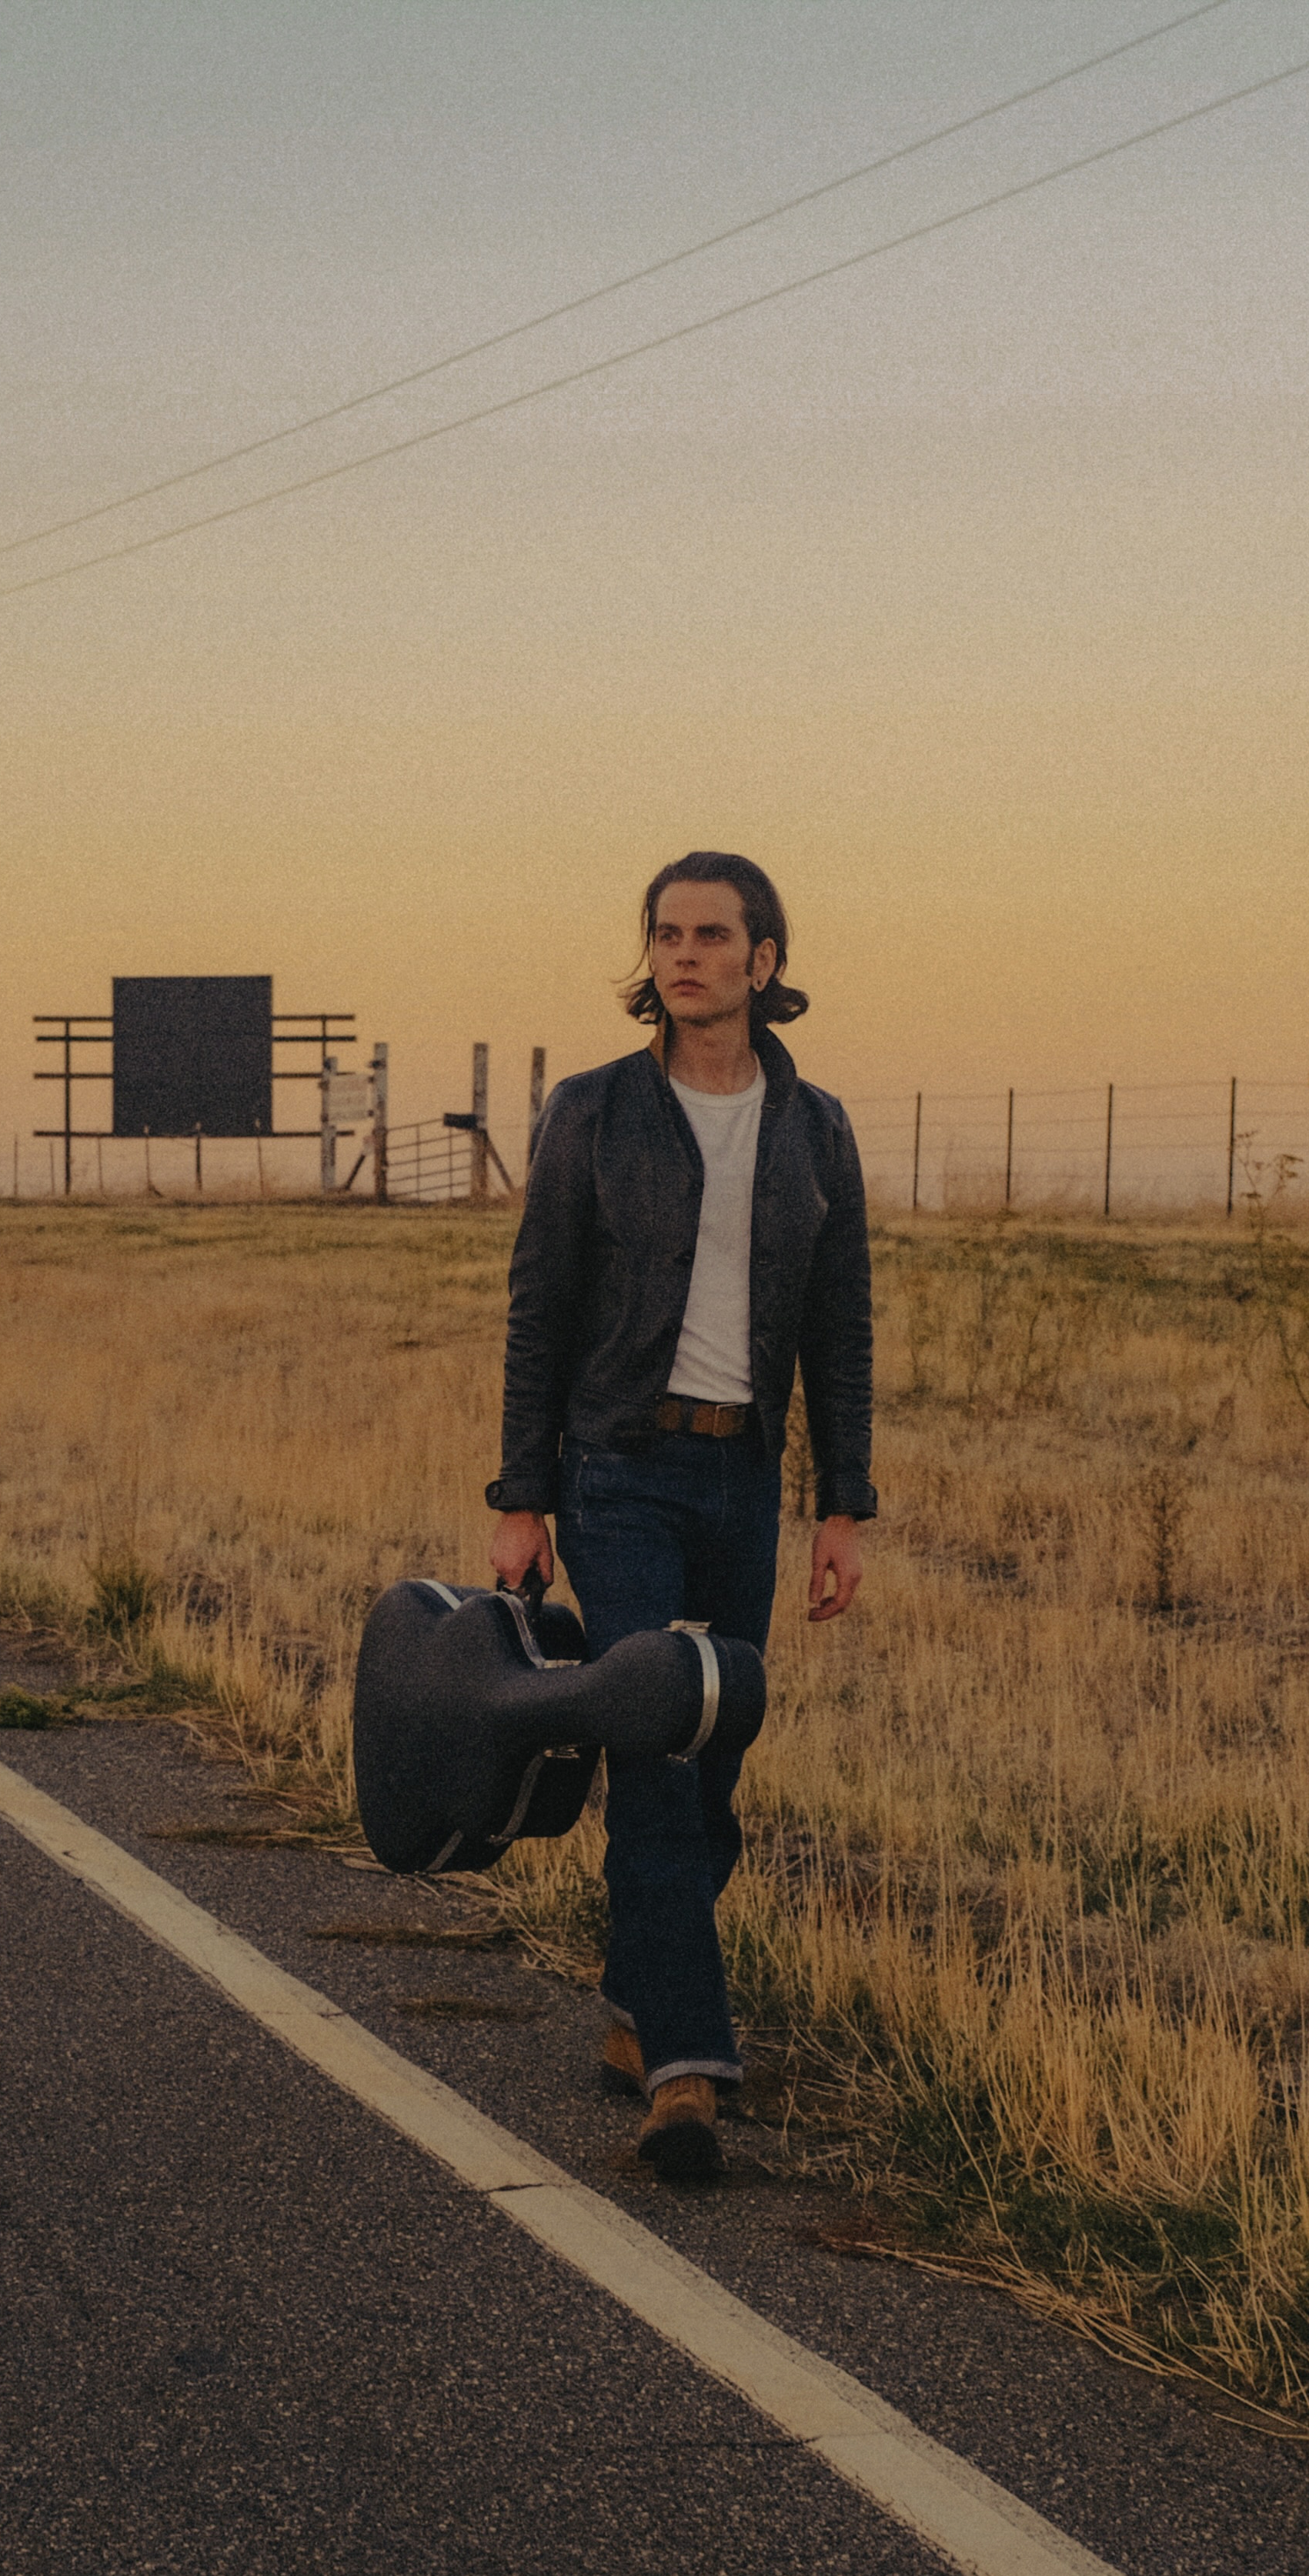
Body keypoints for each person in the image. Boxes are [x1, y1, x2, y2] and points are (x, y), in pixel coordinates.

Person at [487, 851, 875, 2184]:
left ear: (765, 962)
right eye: (667, 936)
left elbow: (840, 1329)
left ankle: (634, 1999)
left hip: (740, 1481)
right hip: (618, 1473)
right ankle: (689, 2071)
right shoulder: (592, 1111)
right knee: (655, 1745)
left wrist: (842, 1508)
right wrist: (522, 1495)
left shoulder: (816, 1129)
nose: (686, 957)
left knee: (713, 1767)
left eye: (713, 937)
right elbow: (539, 1307)